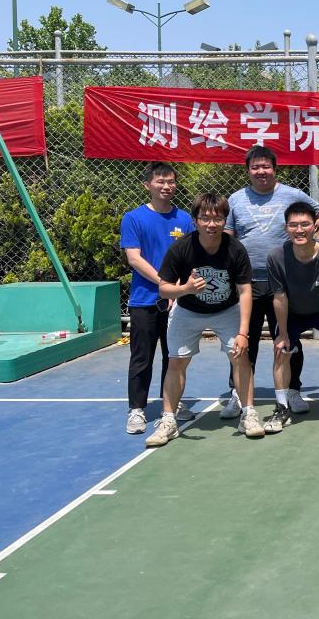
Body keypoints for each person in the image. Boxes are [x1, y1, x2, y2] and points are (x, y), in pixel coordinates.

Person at [145, 193, 257, 447]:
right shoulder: (181, 248)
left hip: (227, 310)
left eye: (217, 219)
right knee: (176, 362)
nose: (211, 224)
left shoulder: (235, 249)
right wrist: (185, 289)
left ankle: (249, 414)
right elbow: (163, 289)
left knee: (241, 357)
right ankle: (168, 420)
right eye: (205, 218)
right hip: (187, 310)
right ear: (195, 221)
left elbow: (245, 291)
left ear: (225, 221)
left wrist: (243, 333)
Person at [223, 145, 319, 420]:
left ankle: (293, 390)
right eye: (255, 167)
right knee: (245, 340)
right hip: (247, 284)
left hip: (285, 283)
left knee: (288, 339)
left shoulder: (292, 194)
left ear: (275, 169)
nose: (261, 171)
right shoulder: (236, 199)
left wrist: (310, 243)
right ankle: (238, 393)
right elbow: (228, 236)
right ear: (248, 171)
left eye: (266, 166)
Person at [120, 162, 195, 434]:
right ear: (148, 185)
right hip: (144, 301)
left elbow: (190, 257)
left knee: (173, 357)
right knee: (142, 357)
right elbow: (134, 258)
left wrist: (178, 289)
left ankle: (170, 406)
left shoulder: (184, 219)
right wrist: (165, 284)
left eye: (171, 181)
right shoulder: (133, 218)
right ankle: (137, 410)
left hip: (177, 302)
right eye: (160, 181)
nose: (166, 186)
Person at [266, 202, 319, 433]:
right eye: (293, 225)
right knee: (281, 350)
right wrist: (283, 334)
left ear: (315, 226)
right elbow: (279, 298)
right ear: (286, 228)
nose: (299, 230)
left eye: (305, 224)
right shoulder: (276, 256)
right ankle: (282, 408)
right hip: (292, 312)